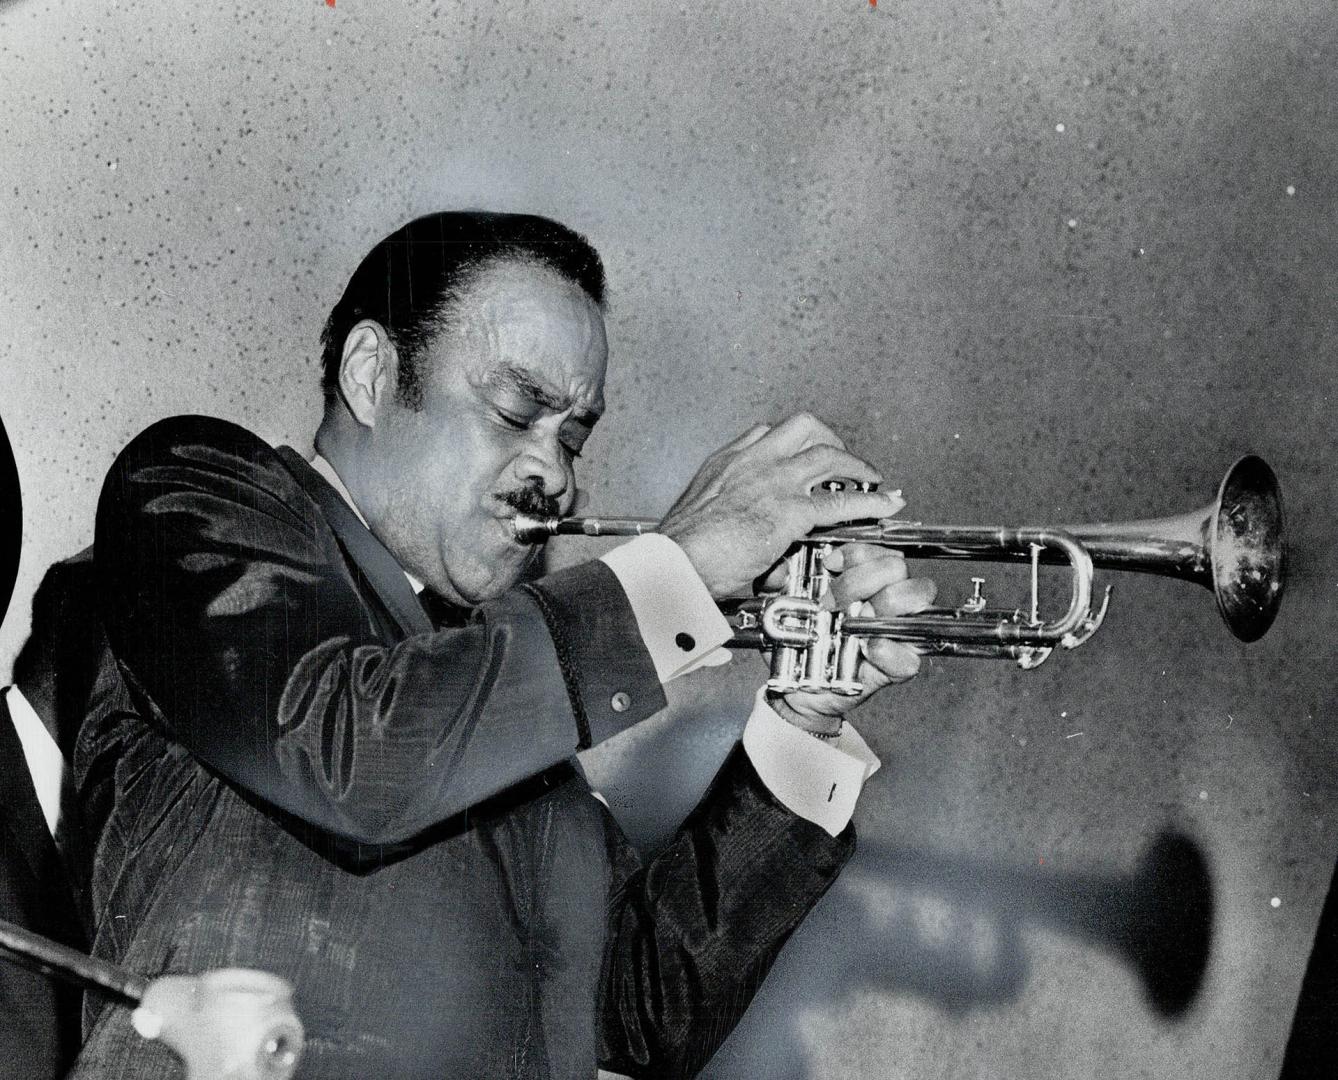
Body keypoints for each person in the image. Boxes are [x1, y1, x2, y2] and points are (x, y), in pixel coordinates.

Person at [65, 211, 934, 1079]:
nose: (551, 473)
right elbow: (349, 750)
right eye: (517, 409)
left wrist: (803, 722)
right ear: (372, 375)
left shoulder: (496, 680)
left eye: (573, 436)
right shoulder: (195, 494)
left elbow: (637, 1017)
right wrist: (681, 568)